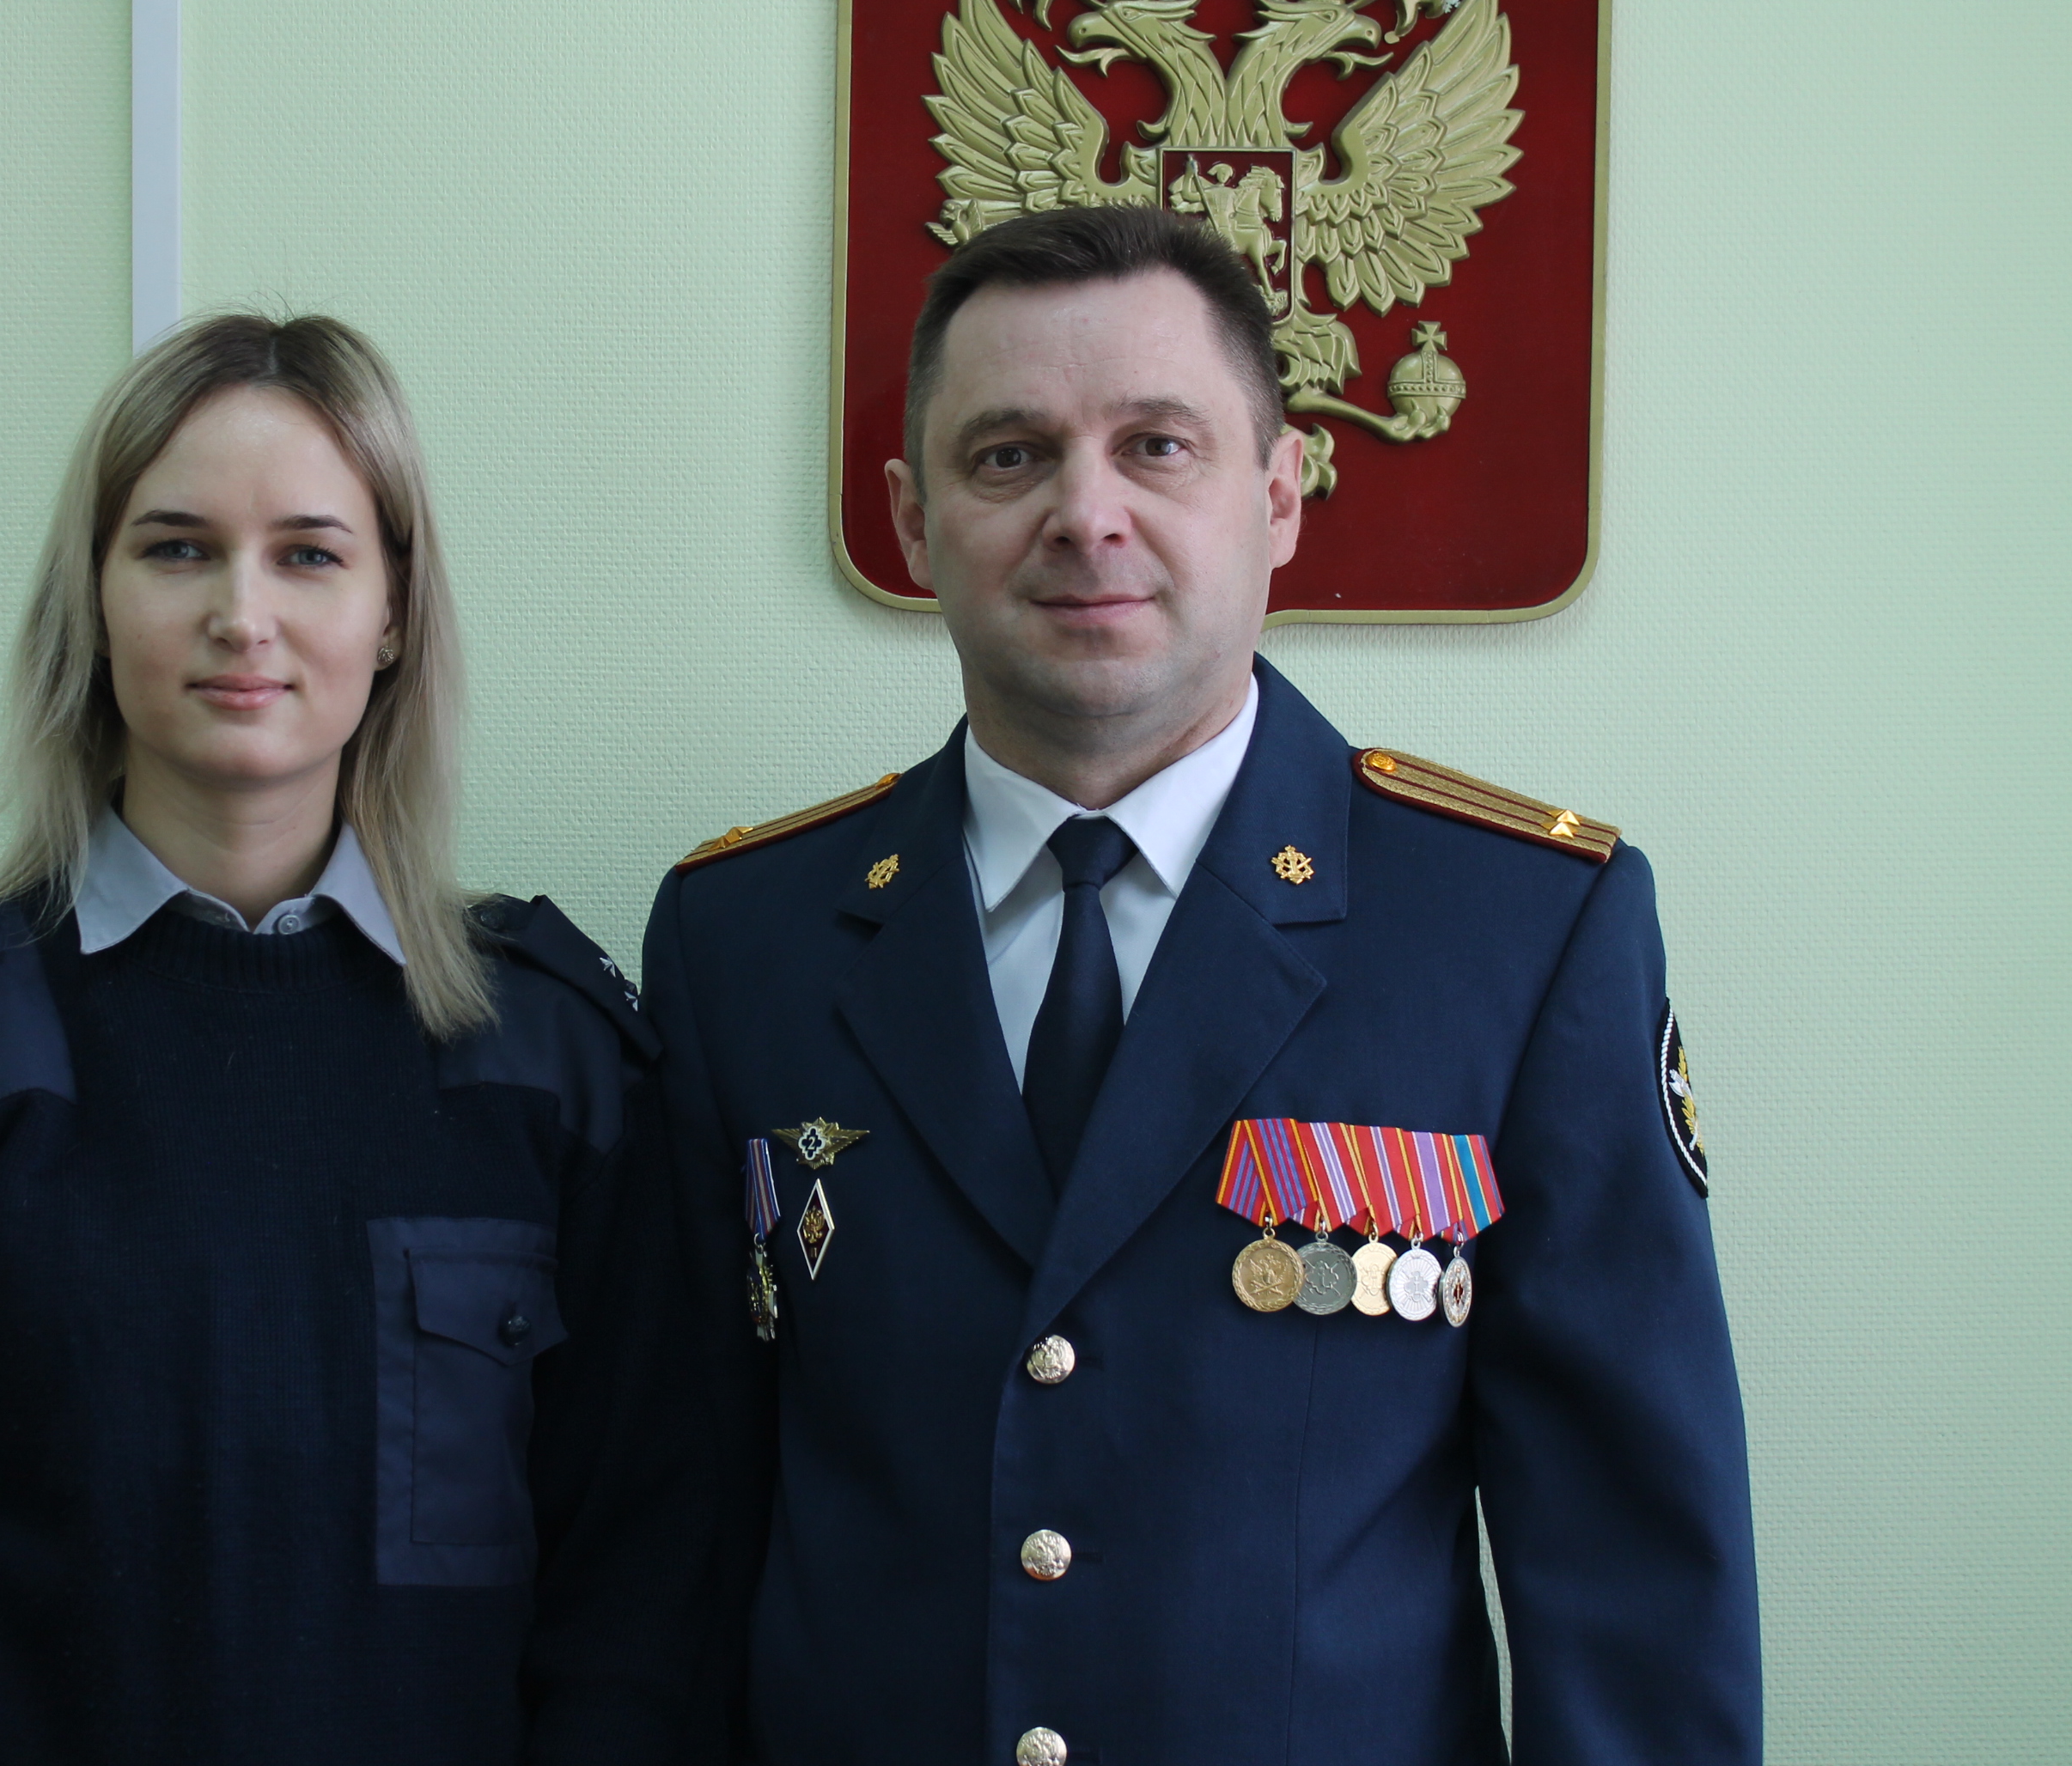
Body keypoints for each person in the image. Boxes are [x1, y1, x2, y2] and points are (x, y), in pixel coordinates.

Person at [645, 208, 1759, 1764]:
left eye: (1157, 447)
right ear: (911, 519)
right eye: (1009, 456)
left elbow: (1634, 1588)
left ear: (1280, 494)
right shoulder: (742, 938)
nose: (1085, 516)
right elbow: (674, 1546)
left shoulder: (1519, 932)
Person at [0, 314, 708, 1764]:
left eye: (309, 554)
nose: (244, 614)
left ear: (393, 612)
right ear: (95, 602)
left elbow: (648, 1586)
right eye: (177, 549)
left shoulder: (556, 1058)